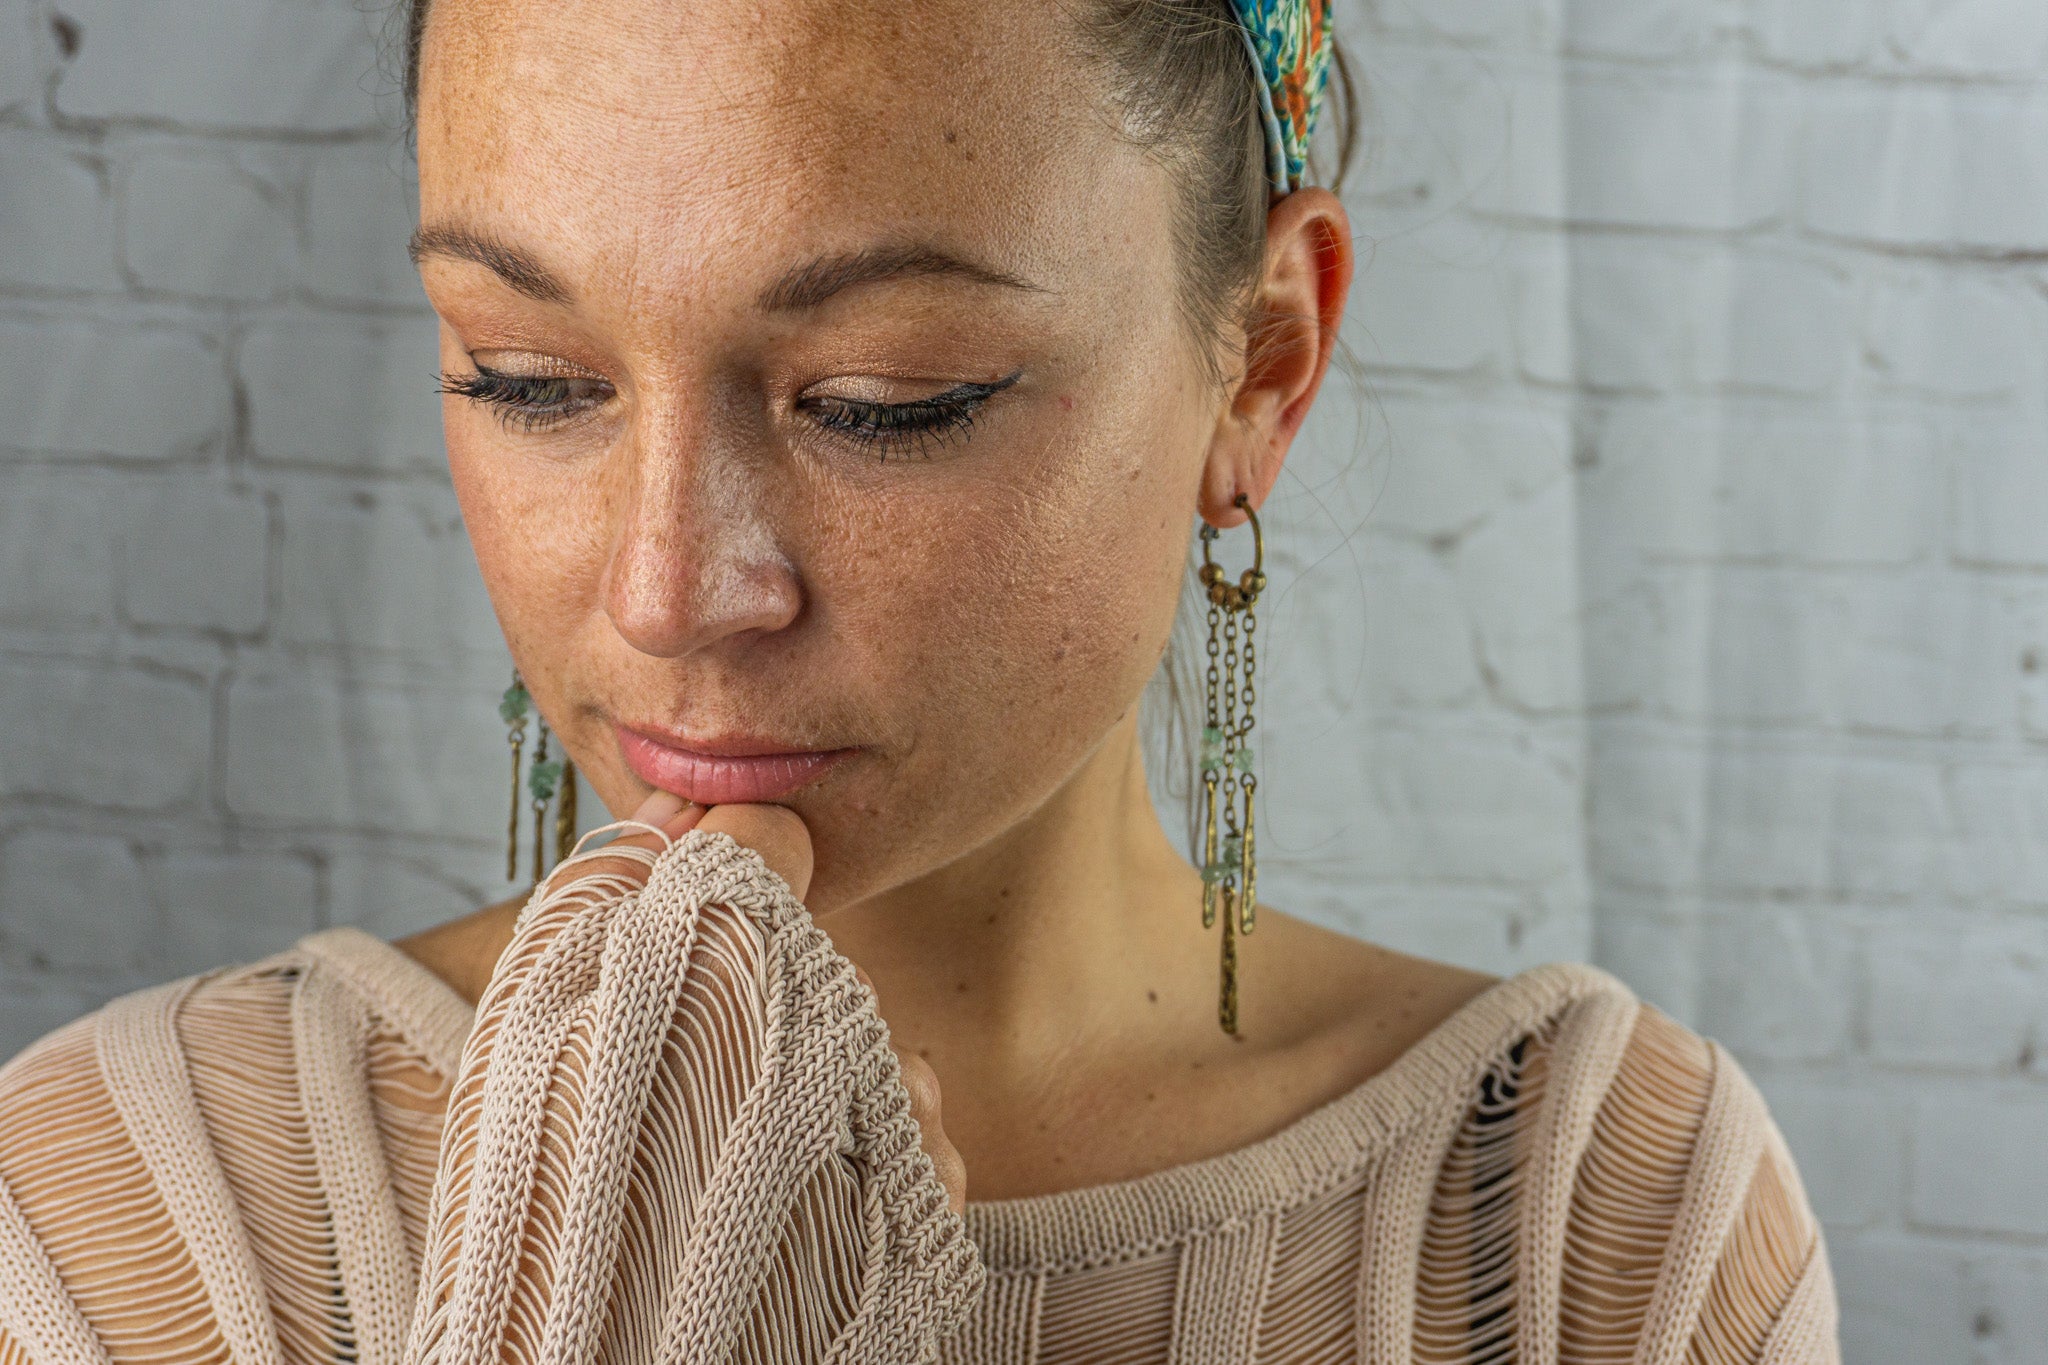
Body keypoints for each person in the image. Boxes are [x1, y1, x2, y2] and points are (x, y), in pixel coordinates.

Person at [0, 0, 1840, 1361]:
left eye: (885, 403)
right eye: (527, 377)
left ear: (1263, 362)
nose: (668, 592)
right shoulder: (118, 1212)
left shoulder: (1583, 1225)